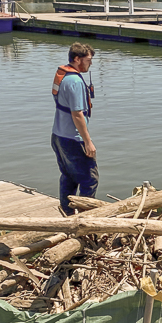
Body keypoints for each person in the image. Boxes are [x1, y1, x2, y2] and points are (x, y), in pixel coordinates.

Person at [51, 42, 97, 215]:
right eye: (88, 60)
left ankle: (67, 213)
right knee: (89, 180)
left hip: (58, 136)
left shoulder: (63, 76)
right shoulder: (76, 82)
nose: (90, 63)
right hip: (73, 139)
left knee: (69, 177)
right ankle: (85, 218)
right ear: (77, 59)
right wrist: (88, 142)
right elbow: (77, 114)